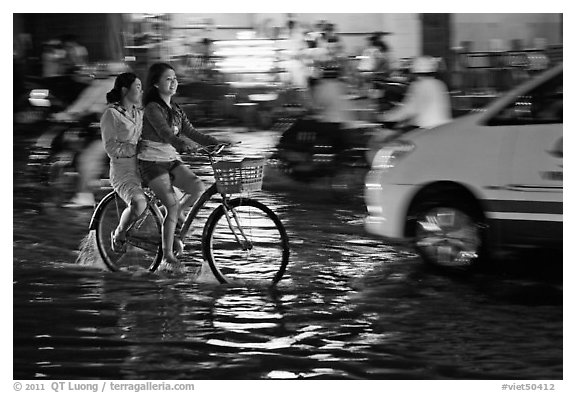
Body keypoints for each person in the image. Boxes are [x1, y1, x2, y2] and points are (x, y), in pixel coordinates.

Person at [138, 62, 220, 273]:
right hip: (151, 162)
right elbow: (166, 133)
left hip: (171, 160)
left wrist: (214, 141)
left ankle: (176, 224)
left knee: (197, 187)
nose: (174, 82)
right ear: (156, 84)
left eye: (175, 78)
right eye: (168, 79)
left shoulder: (176, 109)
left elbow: (192, 132)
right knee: (172, 206)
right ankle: (167, 254)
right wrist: (182, 145)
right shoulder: (152, 108)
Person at [367, 56, 452, 164]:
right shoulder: (440, 84)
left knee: (387, 145)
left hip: (424, 130)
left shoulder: (418, 86)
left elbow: (408, 109)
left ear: (415, 72)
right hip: (443, 130)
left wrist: (385, 116)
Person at [99, 72, 147, 252]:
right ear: (125, 90)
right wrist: (136, 149)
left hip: (143, 167)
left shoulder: (139, 113)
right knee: (139, 204)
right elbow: (111, 148)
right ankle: (119, 232)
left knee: (174, 194)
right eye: (138, 87)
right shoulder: (111, 114)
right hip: (123, 172)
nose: (141, 91)